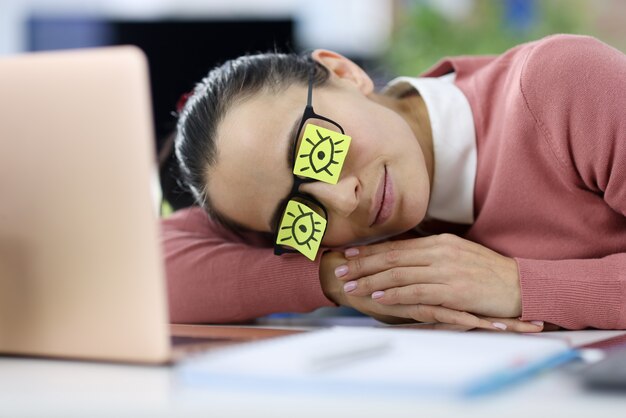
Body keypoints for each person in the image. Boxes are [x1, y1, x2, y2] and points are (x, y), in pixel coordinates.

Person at [161, 34, 626, 331]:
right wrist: (338, 277)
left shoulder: (561, 85)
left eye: (315, 153)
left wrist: (518, 286)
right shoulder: (327, 235)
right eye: (295, 214)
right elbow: (149, 265)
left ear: (344, 73)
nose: (342, 199)